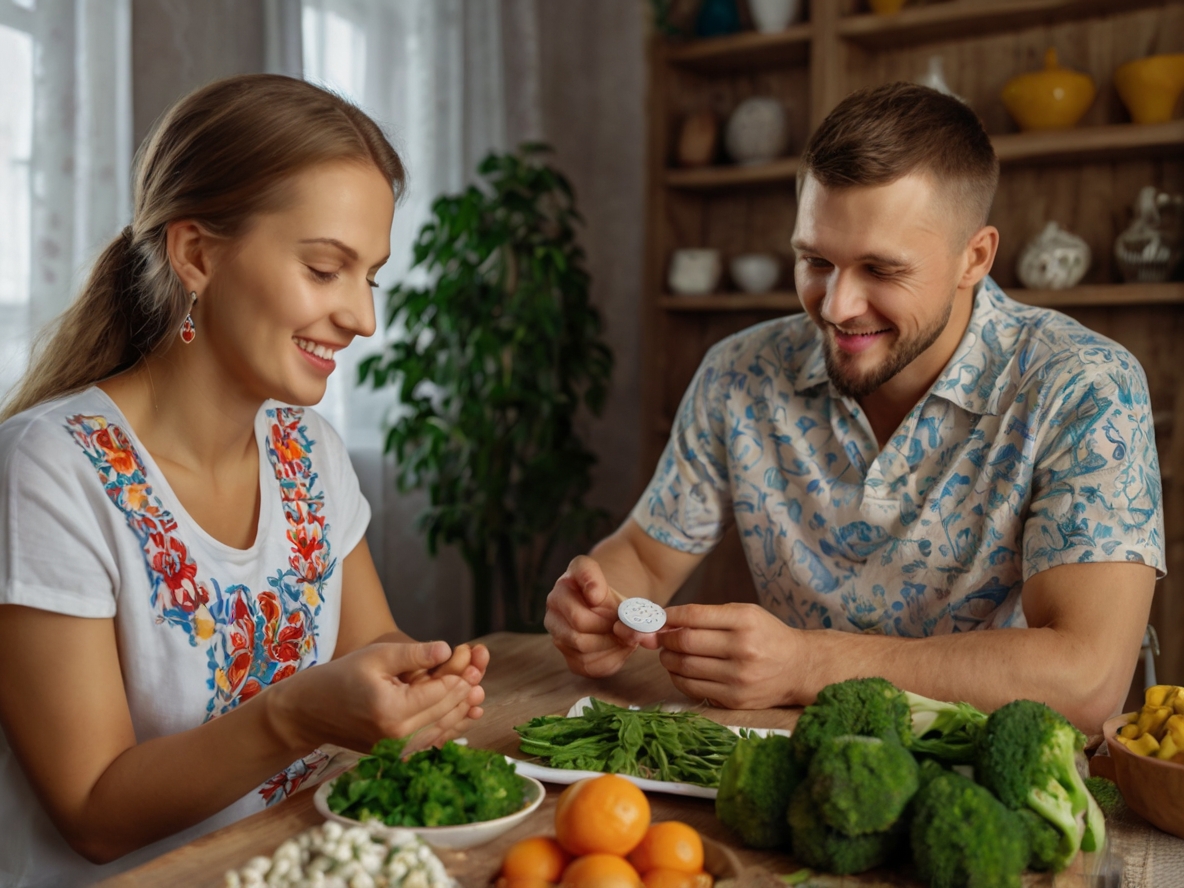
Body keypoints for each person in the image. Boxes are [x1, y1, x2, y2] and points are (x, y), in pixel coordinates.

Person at [545, 82, 1163, 735]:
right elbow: (644, 557)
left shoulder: (1085, 386)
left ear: (973, 258)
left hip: (995, 789)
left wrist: (809, 664)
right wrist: (600, 604)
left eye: (880, 269)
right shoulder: (740, 372)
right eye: (815, 260)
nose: (837, 307)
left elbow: (1086, 681)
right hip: (785, 762)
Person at [0, 75, 488, 887]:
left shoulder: (312, 452)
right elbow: (91, 814)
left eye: (370, 276)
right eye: (327, 269)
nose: (365, 319)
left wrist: (424, 678)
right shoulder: (48, 470)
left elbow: (370, 644)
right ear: (196, 254)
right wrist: (294, 715)